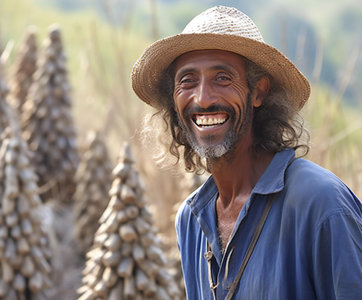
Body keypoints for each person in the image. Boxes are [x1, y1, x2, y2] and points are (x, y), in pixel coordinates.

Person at [131, 5, 362, 300]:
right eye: (187, 81)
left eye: (223, 78)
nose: (202, 99)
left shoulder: (322, 204)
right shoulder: (190, 221)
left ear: (259, 92)